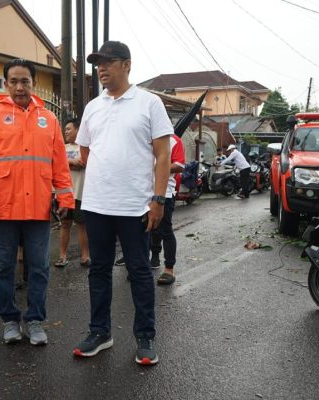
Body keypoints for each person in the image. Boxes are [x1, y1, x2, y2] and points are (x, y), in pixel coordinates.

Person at [72, 41, 171, 366]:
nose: (101, 68)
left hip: (135, 207)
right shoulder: (93, 107)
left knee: (140, 271)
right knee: (98, 270)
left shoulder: (149, 103)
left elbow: (162, 154)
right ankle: (100, 332)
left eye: (108, 62)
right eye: (97, 63)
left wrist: (157, 198)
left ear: (126, 65)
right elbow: (85, 151)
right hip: (97, 205)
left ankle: (145, 337)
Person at [0, 58, 74, 346]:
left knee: (39, 267)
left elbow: (59, 164)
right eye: (14, 81)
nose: (19, 87)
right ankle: (9, 320)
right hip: (4, 208)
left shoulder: (49, 120)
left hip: (39, 208)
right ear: (6, 84)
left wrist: (65, 196)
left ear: (33, 83)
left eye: (25, 81)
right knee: (3, 267)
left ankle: (35, 319)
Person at [55, 118, 90, 268]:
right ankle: (62, 256)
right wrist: (70, 162)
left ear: (78, 130)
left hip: (80, 193)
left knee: (82, 225)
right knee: (65, 224)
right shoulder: (62, 148)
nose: (66, 132)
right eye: (65, 129)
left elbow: (83, 162)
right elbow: (56, 164)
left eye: (69, 129)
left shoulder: (85, 147)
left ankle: (85, 256)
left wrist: (71, 163)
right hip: (64, 194)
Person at [151, 134, 185, 285]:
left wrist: (157, 166)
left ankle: (169, 269)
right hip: (141, 191)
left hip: (164, 191)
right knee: (142, 229)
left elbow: (179, 165)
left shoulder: (173, 139)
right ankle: (146, 263)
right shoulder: (142, 135)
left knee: (164, 229)